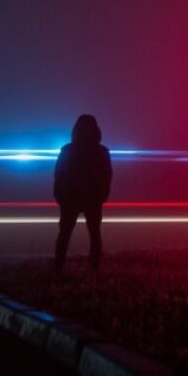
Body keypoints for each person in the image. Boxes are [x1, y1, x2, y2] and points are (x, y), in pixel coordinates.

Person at [53, 114, 113, 274]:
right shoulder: (101, 152)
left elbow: (58, 174)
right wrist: (102, 196)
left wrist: (60, 196)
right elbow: (107, 175)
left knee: (65, 234)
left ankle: (58, 268)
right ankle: (94, 268)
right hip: (92, 198)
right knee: (94, 234)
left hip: (70, 198)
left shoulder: (68, 150)